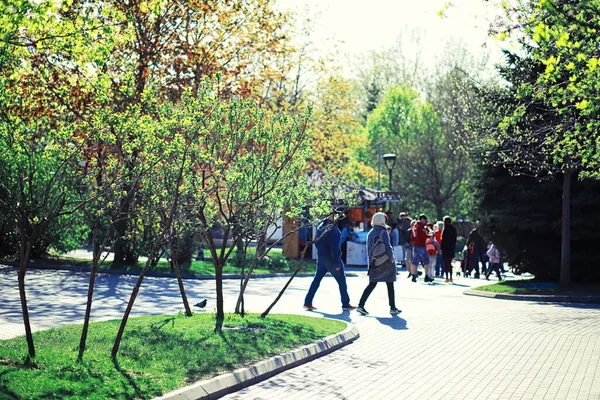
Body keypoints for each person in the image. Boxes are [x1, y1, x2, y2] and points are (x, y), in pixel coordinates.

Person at [304, 210, 356, 311]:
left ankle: (307, 302)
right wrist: (337, 263)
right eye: (337, 215)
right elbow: (335, 249)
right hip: (332, 260)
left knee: (316, 281)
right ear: (332, 216)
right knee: (342, 281)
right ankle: (345, 304)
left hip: (322, 258)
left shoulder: (320, 226)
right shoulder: (334, 230)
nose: (338, 217)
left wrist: (321, 253)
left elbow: (316, 242)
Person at [356, 212, 401, 315]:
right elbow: (388, 247)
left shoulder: (370, 233)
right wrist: (392, 258)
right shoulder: (383, 232)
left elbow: (369, 249)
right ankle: (392, 307)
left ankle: (361, 305)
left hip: (374, 262)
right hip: (385, 262)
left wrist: (371, 261)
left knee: (371, 284)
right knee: (390, 284)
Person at [411, 214, 431, 282]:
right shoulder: (421, 226)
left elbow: (412, 236)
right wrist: (429, 236)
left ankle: (413, 276)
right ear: (423, 219)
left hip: (415, 245)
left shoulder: (414, 226)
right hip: (421, 245)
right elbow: (422, 236)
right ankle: (426, 276)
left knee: (414, 261)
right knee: (426, 261)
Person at [441, 216, 457, 283]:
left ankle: (447, 277)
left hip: (445, 248)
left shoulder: (445, 229)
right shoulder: (453, 229)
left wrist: (441, 248)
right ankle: (451, 277)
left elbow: (443, 240)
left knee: (446, 263)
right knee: (449, 263)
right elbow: (455, 239)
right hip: (451, 248)